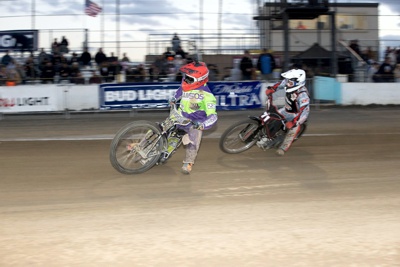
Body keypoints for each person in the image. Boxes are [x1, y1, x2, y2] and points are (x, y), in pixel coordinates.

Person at [169, 60, 218, 174]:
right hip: (179, 116)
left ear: (200, 80)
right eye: (186, 77)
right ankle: (144, 145)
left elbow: (213, 116)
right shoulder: (187, 81)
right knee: (162, 128)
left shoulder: (208, 96)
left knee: (194, 137)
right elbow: (180, 90)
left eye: (189, 79)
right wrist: (174, 99)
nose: (186, 80)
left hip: (193, 123)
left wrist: (202, 124)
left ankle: (188, 162)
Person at [257, 68, 310, 156]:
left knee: (293, 129)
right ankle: (267, 134)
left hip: (297, 115)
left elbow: (304, 112)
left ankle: (283, 148)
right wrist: (272, 88)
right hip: (287, 110)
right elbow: (280, 84)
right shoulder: (290, 82)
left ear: (299, 82)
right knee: (272, 116)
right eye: (288, 81)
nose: (288, 84)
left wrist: (294, 122)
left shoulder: (303, 95)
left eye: (290, 82)